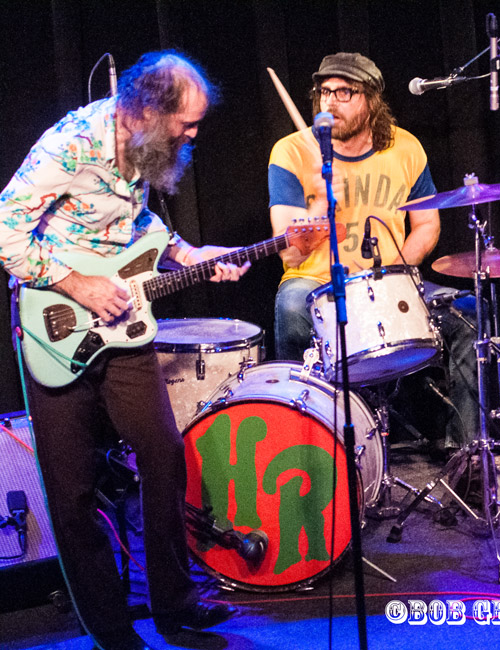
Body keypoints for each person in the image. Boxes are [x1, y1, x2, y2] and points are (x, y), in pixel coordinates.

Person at [0, 51, 246, 650]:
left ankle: (174, 601)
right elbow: (4, 227)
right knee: (73, 486)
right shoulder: (68, 144)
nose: (193, 134)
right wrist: (74, 282)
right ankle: (108, 624)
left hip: (125, 325)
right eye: (185, 123)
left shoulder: (140, 151)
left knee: (163, 454)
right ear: (145, 109)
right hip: (54, 326)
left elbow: (136, 229)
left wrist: (189, 257)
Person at [269, 52, 478, 452]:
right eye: (323, 91)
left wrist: (392, 279)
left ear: (372, 100)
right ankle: (304, 449)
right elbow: (290, 251)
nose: (329, 101)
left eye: (345, 91)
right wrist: (320, 204)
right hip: (315, 283)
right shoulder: (292, 151)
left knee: (467, 315)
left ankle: (466, 454)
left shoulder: (406, 148)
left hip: (389, 281)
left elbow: (428, 225)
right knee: (291, 309)